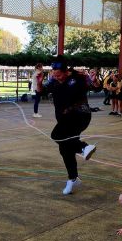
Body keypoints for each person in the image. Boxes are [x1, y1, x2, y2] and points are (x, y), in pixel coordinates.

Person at [46, 57, 96, 195]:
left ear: (66, 71)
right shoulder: (53, 81)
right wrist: (39, 84)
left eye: (59, 75)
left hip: (79, 116)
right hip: (64, 119)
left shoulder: (78, 78)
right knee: (64, 148)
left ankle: (83, 147)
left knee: (56, 135)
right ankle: (73, 178)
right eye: (54, 75)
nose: (57, 78)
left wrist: (91, 78)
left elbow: (95, 87)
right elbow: (41, 91)